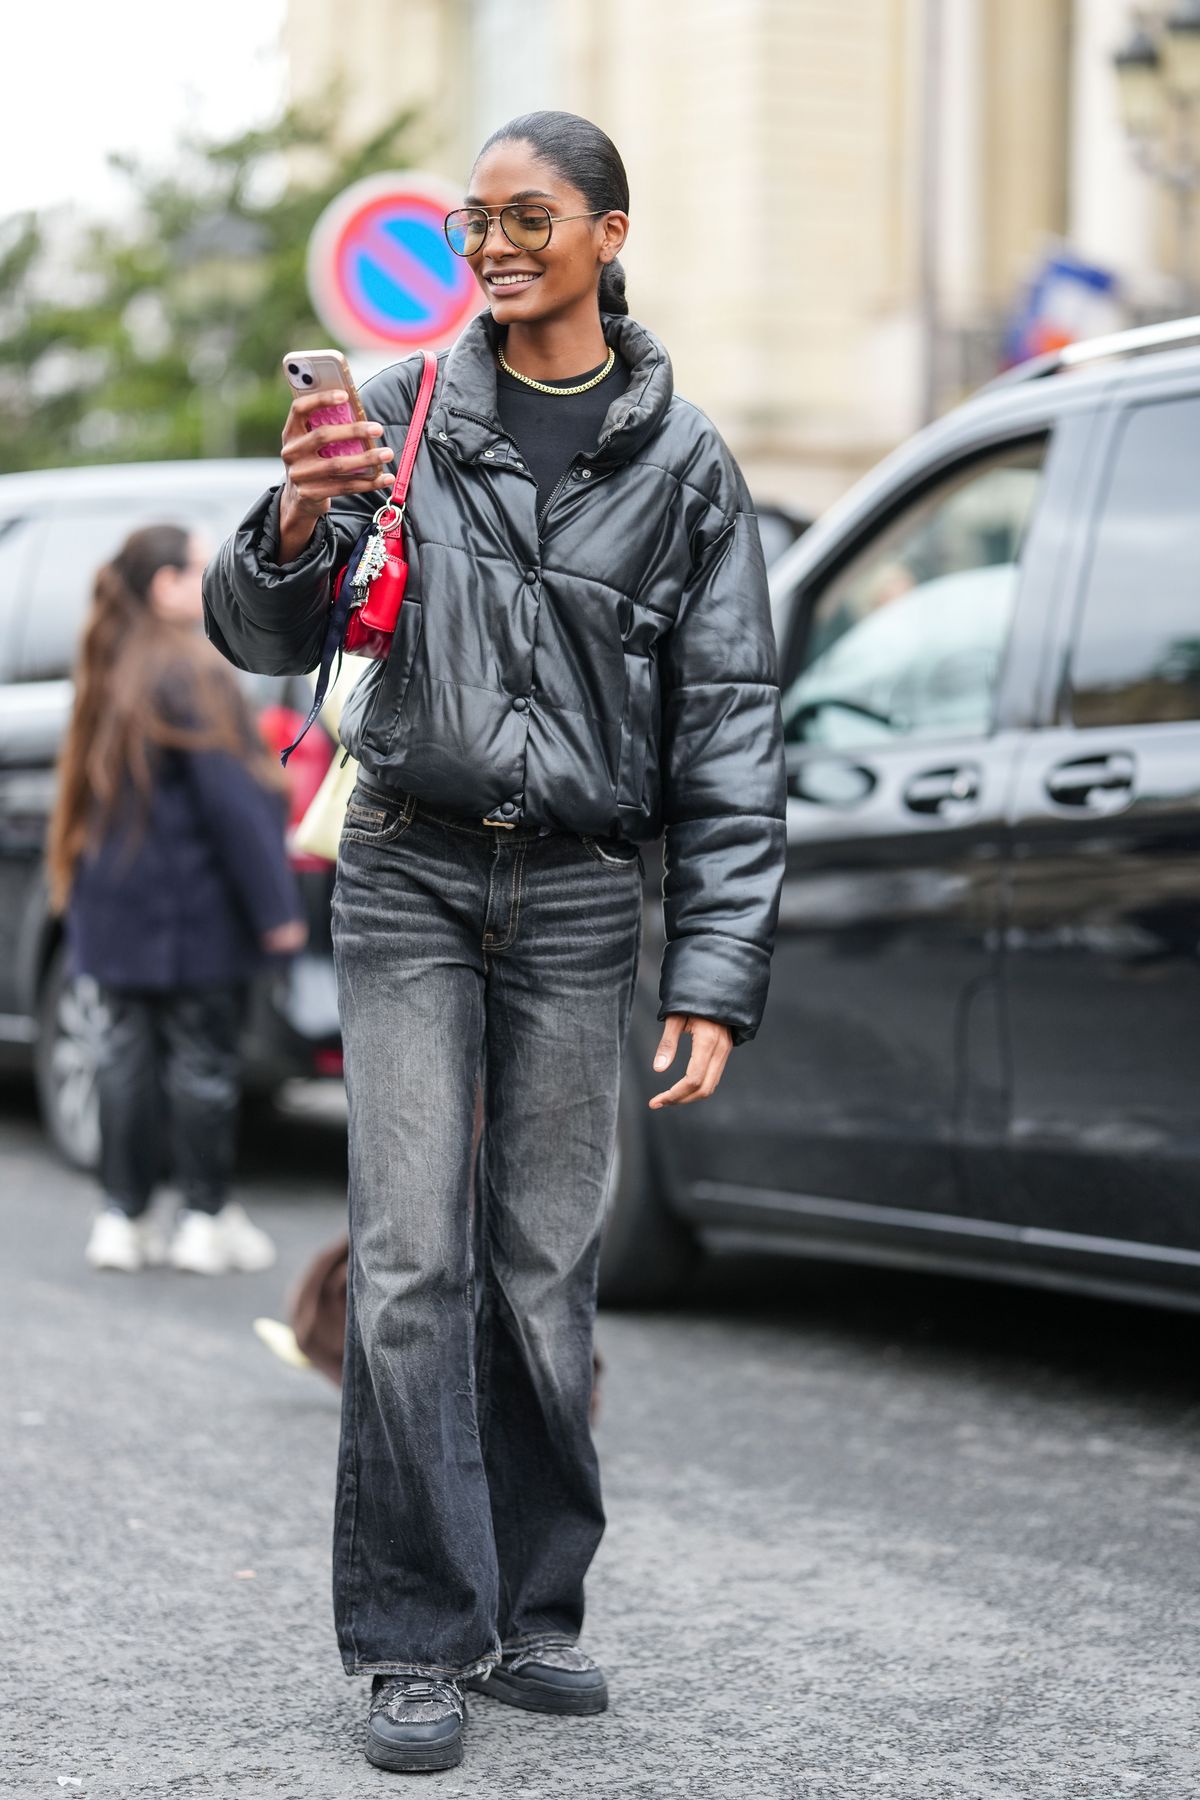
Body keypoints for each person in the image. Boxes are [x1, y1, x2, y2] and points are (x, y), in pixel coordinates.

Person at [203, 110, 787, 1775]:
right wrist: (293, 520)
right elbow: (262, 632)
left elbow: (731, 725)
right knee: (410, 1265)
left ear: (609, 234)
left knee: (543, 1270)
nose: (494, 245)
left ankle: (534, 1613)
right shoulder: (396, 414)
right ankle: (411, 1639)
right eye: (475, 220)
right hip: (408, 872)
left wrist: (717, 971)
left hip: (586, 897)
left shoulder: (686, 467)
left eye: (529, 217)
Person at [47, 524, 307, 1277]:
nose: (208, 577)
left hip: (114, 905)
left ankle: (121, 1217)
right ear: (164, 585)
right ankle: (204, 1218)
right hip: (190, 908)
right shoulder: (193, 670)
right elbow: (234, 803)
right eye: (197, 567)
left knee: (122, 1060)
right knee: (202, 1065)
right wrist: (277, 910)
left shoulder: (107, 662)